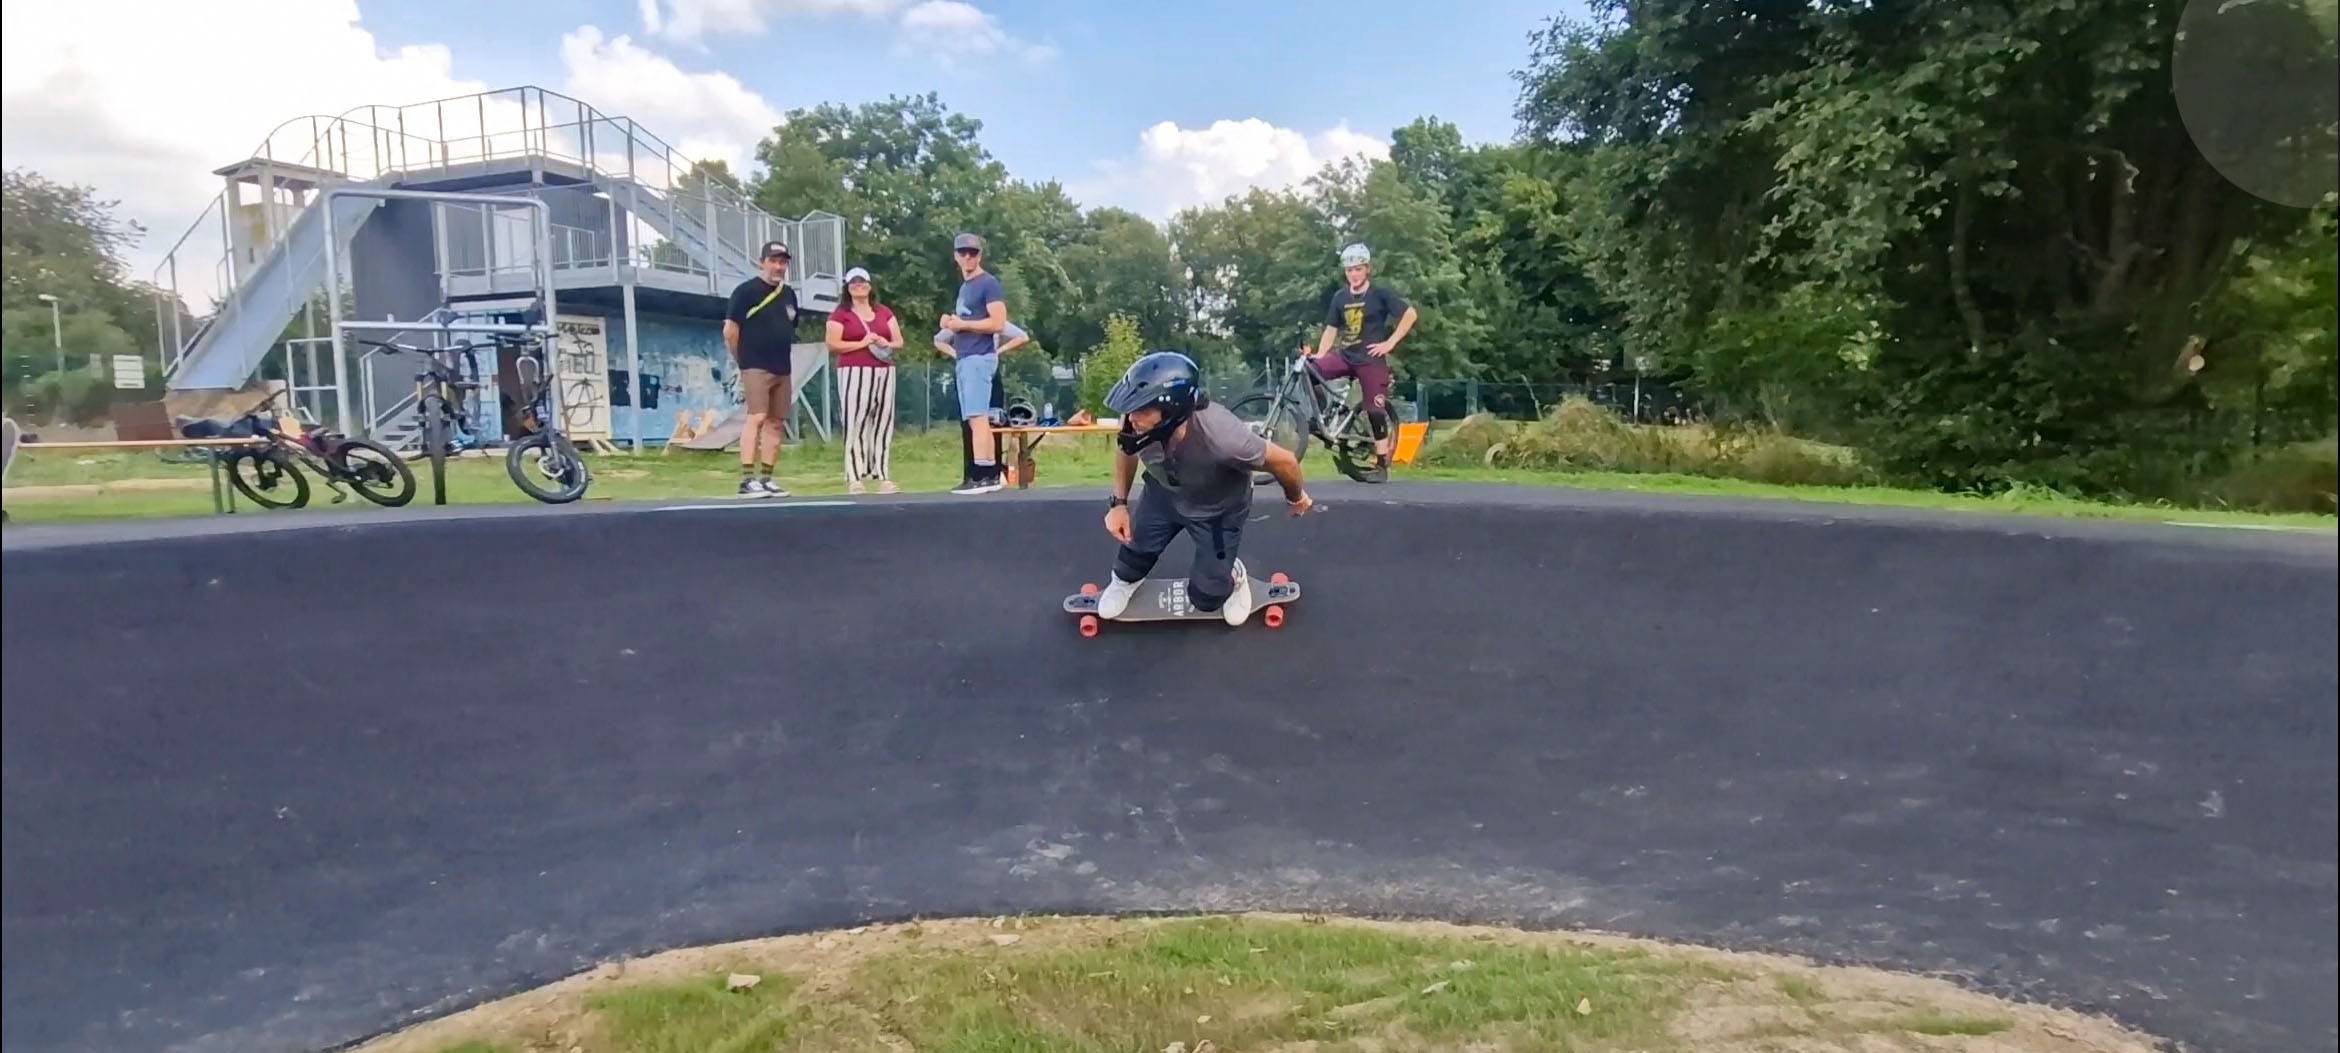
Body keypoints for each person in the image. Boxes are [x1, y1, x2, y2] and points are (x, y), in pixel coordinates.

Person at [1096, 351, 1313, 626]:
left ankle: (1232, 574)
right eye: (1130, 409)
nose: (1132, 417)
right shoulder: (1135, 423)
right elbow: (1127, 448)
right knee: (1132, 557)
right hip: (1164, 497)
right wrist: (1119, 504)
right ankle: (1125, 582)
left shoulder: (1223, 436)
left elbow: (1285, 461)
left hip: (1217, 511)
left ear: (1171, 411)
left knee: (1207, 597)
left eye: (1142, 410)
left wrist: (1296, 497)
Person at [1307, 242, 1417, 478]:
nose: (1353, 274)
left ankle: (1380, 465)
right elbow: (1331, 328)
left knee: (1374, 410)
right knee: (1309, 369)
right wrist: (1321, 353)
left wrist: (1391, 342)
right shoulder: (1340, 297)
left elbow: (1410, 314)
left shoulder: (1380, 294)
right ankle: (1324, 415)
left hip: (1371, 360)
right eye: (1349, 270)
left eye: (1358, 269)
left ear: (1367, 269)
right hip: (1346, 355)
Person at [723, 240, 800, 496]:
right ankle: (747, 479)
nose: (778, 267)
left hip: (782, 366)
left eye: (783, 262)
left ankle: (767, 478)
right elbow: (731, 331)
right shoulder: (746, 291)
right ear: (762, 261)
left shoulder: (789, 294)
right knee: (756, 417)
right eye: (774, 261)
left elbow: (790, 325)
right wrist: (741, 359)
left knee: (776, 422)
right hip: (755, 364)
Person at [940, 232, 1008, 494]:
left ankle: (983, 475)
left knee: (978, 417)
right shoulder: (965, 287)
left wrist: (964, 324)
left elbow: (998, 322)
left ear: (980, 255)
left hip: (979, 358)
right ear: (956, 256)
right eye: (963, 252)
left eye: (973, 252)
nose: (968, 257)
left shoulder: (988, 283)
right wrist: (951, 323)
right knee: (974, 418)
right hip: (966, 356)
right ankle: (987, 473)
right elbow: (965, 321)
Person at [827, 267, 901, 494]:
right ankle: (854, 476)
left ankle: (882, 475)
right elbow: (833, 344)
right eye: (853, 283)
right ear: (847, 288)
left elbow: (898, 341)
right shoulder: (840, 314)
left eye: (862, 282)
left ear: (869, 285)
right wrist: (863, 343)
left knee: (882, 423)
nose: (858, 286)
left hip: (884, 370)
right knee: (855, 422)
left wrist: (883, 342)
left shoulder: (883, 312)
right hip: (853, 371)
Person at [935, 321, 1029, 488]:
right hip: (968, 370)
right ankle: (973, 474)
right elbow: (938, 339)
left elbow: (1022, 336)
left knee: (992, 423)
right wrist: (957, 354)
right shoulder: (960, 321)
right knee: (970, 424)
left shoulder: (992, 321)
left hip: (988, 372)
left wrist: (997, 351)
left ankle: (993, 473)